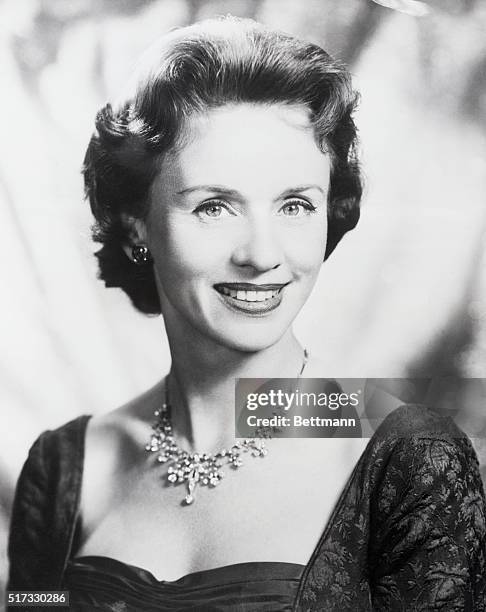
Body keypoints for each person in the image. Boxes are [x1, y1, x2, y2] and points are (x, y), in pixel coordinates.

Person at [7, 15, 486, 611]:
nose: (262, 254)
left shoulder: (409, 461)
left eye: (294, 205)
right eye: (214, 206)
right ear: (137, 223)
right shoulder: (65, 468)